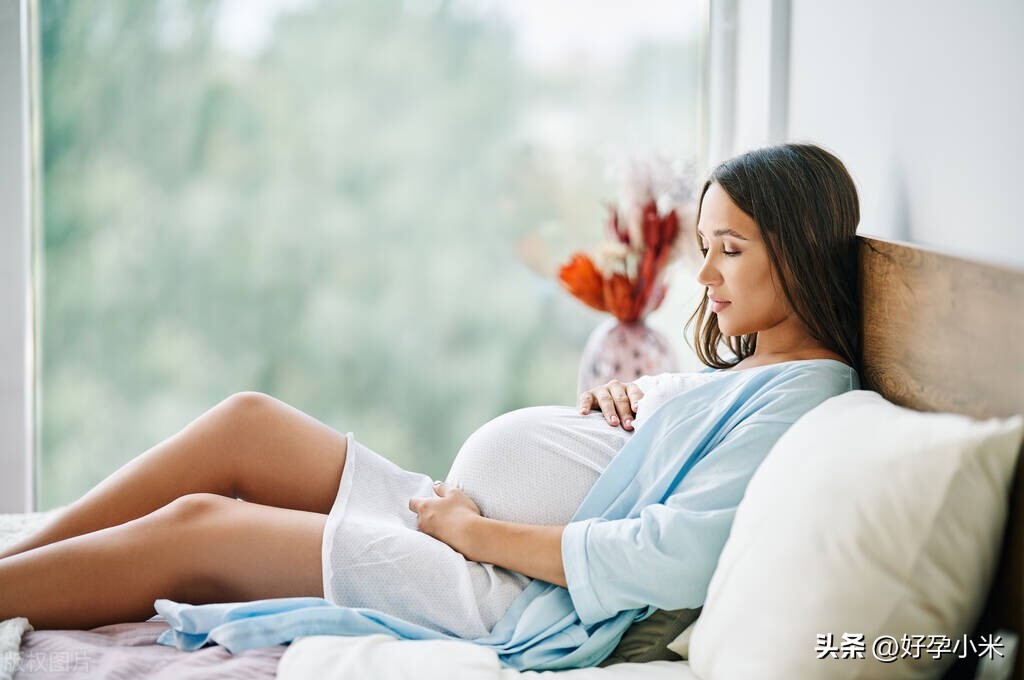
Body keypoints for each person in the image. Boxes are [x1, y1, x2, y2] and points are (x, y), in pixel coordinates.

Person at [0, 142, 861, 669]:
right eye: (704, 247)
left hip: (497, 589)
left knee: (200, 526)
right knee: (246, 420)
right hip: (464, 536)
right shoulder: (751, 375)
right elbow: (647, 464)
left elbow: (665, 559)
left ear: (799, 251)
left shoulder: (809, 394)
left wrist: (473, 533)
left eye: (730, 250)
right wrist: (624, 398)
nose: (703, 275)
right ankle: (23, 564)